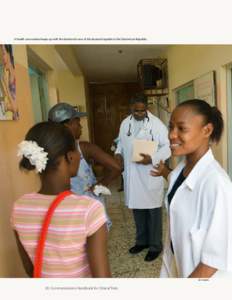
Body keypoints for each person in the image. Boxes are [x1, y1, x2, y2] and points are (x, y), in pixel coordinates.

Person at [11, 122, 111, 278]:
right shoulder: (88, 209)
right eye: (76, 150)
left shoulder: (20, 207)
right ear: (70, 157)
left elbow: (31, 269)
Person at [151, 99, 232, 278]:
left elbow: (214, 260)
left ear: (207, 130)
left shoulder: (217, 184)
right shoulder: (180, 171)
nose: (172, 135)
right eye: (171, 127)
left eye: (182, 128)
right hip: (179, 266)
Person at [115, 94, 171, 261]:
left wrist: (152, 159)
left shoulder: (157, 125)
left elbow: (168, 146)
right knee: (137, 210)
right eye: (136, 110)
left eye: (142, 110)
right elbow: (120, 141)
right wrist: (118, 153)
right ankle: (142, 241)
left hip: (150, 173)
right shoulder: (126, 123)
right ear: (131, 108)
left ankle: (155, 245)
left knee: (153, 212)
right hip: (133, 174)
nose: (139, 113)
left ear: (147, 108)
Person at [48, 102, 121, 229]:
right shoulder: (84, 148)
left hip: (63, 213)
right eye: (77, 122)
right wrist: (101, 184)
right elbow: (116, 167)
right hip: (89, 211)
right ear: (68, 125)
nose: (80, 126)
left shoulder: (47, 150)